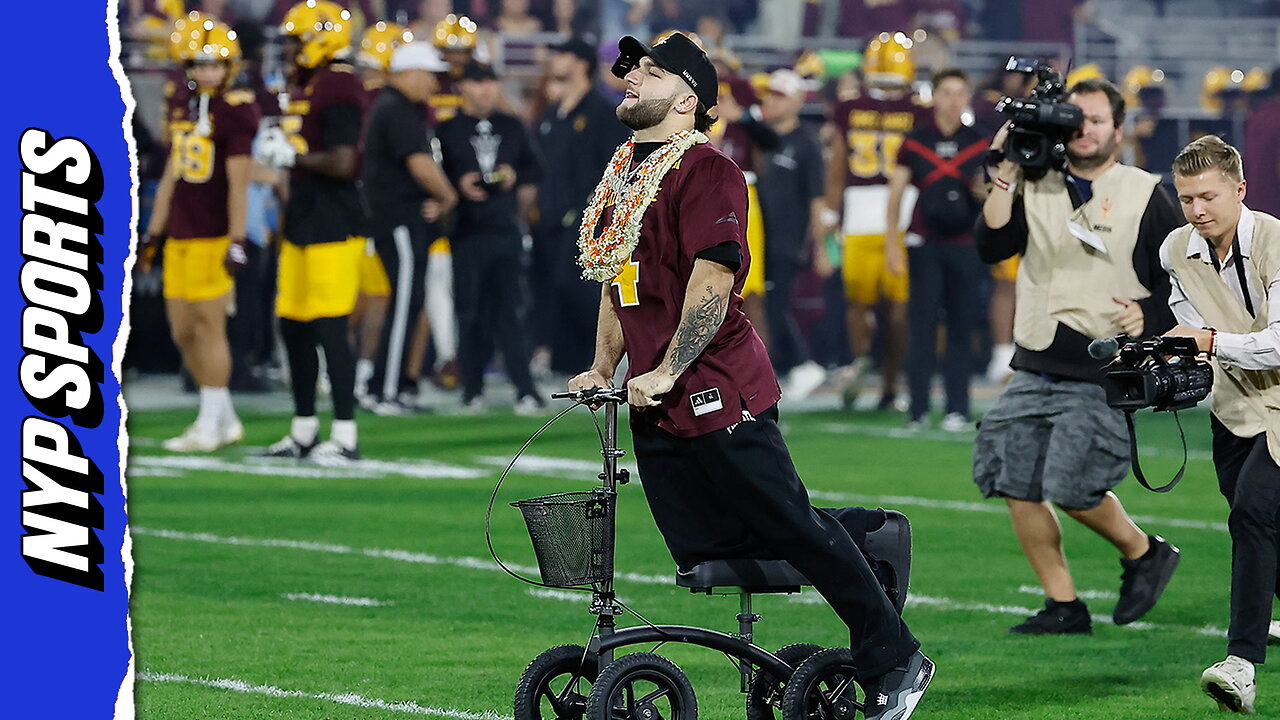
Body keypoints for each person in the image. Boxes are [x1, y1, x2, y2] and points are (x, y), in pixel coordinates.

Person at [567, 32, 933, 720]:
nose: (630, 77)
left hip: (716, 387)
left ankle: (894, 655)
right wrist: (602, 366)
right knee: (707, 548)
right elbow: (618, 279)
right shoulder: (625, 171)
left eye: (648, 71)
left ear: (687, 99)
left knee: (788, 525)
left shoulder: (708, 170)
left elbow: (713, 280)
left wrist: (669, 369)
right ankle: (865, 538)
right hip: (658, 397)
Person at [973, 77, 1184, 634]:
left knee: (1070, 485)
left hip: (1105, 365)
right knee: (1012, 478)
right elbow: (992, 246)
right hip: (1036, 354)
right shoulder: (1035, 177)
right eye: (1075, 119)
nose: (1084, 129)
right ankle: (1063, 605)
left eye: (1095, 120)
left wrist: (1153, 319)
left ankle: (1144, 551)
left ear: (1118, 128)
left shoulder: (1144, 191)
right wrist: (1005, 172)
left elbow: (1185, 281)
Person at [1161, 136, 1280, 714]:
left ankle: (1241, 663)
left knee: (1253, 513)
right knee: (1260, 522)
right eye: (1186, 199)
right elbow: (1188, 322)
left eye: (1207, 196)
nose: (1197, 210)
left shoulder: (1278, 242)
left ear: (1240, 190)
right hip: (1234, 407)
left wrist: (1209, 342)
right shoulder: (1175, 251)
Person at [254, 0, 366, 462]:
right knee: (294, 326)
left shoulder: (339, 83)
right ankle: (303, 430)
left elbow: (343, 161)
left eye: (297, 39)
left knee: (330, 327)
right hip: (302, 218)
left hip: (333, 221)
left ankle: (344, 435)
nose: (291, 49)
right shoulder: (310, 82)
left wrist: (291, 157)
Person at [141, 18, 259, 452]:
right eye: (199, 64)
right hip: (180, 234)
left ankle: (209, 422)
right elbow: (173, 169)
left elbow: (239, 183)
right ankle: (224, 417)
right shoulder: (183, 105)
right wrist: (154, 230)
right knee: (182, 332)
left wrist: (237, 239)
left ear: (229, 66)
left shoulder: (237, 108)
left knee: (210, 329)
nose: (207, 72)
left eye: (215, 64)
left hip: (213, 234)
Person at [818, 32, 928, 411]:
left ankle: (864, 362)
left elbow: (836, 164)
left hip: (866, 211)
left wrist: (831, 213)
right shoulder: (919, 110)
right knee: (894, 309)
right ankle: (885, 382)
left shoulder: (850, 107)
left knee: (863, 304)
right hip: (900, 213)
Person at [436, 61, 544, 413]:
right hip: (465, 233)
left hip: (505, 231)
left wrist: (514, 180)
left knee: (511, 311)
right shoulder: (446, 129)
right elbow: (432, 176)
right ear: (462, 87)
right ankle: (472, 388)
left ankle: (524, 388)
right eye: (477, 83)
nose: (485, 90)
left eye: (490, 83)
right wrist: (455, 189)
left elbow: (533, 171)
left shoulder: (512, 126)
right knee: (469, 313)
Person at [886, 68, 989, 430]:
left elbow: (997, 192)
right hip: (925, 244)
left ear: (967, 98)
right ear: (935, 97)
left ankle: (958, 408)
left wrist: (985, 194)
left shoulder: (980, 142)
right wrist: (891, 245)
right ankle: (917, 408)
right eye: (946, 92)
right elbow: (896, 193)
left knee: (962, 327)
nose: (953, 100)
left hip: (965, 244)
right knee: (922, 326)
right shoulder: (915, 141)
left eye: (960, 93)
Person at [362, 42, 458, 413]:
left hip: (403, 220)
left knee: (412, 302)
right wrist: (448, 197)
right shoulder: (396, 109)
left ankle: (397, 384)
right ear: (410, 72)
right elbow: (419, 164)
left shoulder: (397, 108)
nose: (433, 83)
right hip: (398, 220)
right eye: (429, 74)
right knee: (402, 306)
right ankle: (382, 389)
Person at [531, 37, 631, 377]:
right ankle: (565, 360)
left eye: (564, 54)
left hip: (586, 217)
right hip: (548, 217)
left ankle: (605, 357)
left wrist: (601, 208)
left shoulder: (603, 112)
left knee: (577, 286)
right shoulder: (551, 113)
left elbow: (616, 165)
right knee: (549, 288)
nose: (554, 60)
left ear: (581, 64)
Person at [755, 68, 827, 400]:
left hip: (787, 238)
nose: (772, 100)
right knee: (764, 304)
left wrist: (820, 246)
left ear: (798, 101)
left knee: (774, 306)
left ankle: (802, 363)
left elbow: (817, 199)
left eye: (780, 96)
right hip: (758, 235)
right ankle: (787, 366)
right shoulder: (760, 136)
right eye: (770, 94)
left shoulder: (806, 142)